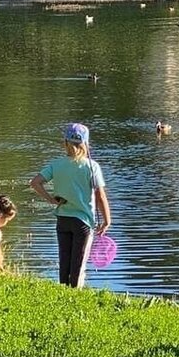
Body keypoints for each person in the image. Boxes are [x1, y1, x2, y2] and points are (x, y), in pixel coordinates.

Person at [30, 123, 111, 289]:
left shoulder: (56, 164)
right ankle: (75, 295)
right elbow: (100, 196)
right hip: (82, 222)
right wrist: (107, 220)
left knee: (64, 261)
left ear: (65, 142)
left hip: (63, 219)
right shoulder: (92, 166)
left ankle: (63, 292)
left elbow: (35, 183)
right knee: (78, 264)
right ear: (86, 144)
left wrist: (51, 200)